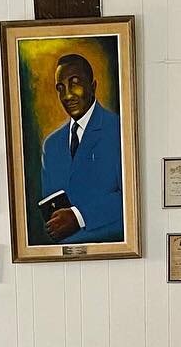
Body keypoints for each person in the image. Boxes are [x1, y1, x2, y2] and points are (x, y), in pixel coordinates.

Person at [38, 52, 124, 244]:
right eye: (61, 88)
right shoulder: (51, 145)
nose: (67, 95)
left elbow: (131, 198)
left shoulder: (118, 130)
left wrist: (79, 217)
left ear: (93, 86)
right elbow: (52, 213)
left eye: (75, 83)